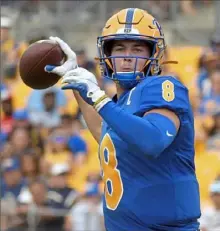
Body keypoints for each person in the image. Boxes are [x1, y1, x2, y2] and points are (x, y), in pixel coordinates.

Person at [45, 8, 201, 231]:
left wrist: (99, 99)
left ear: (153, 55)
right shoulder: (118, 106)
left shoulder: (163, 86)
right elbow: (105, 132)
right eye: (119, 48)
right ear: (107, 55)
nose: (127, 55)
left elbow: (154, 139)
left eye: (137, 48)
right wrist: (77, 80)